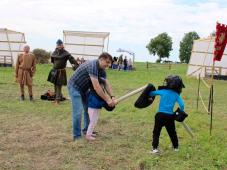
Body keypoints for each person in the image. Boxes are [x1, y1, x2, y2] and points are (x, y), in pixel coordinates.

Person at [68, 52, 116, 140]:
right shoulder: (93, 65)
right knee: (78, 111)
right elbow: (96, 87)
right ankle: (77, 136)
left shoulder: (102, 70)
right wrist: (107, 100)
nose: (108, 65)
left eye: (110, 63)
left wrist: (112, 96)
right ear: (101, 59)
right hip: (74, 87)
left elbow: (105, 83)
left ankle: (87, 131)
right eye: (107, 62)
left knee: (87, 109)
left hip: (85, 89)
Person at [149, 75, 185, 154]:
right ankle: (176, 147)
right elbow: (182, 105)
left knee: (156, 132)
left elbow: (151, 93)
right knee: (172, 132)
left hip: (160, 115)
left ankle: (154, 148)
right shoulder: (176, 95)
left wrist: (149, 97)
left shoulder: (163, 91)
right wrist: (179, 113)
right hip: (170, 116)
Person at [47, 39, 79, 104]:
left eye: (60, 45)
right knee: (55, 84)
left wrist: (76, 65)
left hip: (61, 72)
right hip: (54, 71)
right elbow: (53, 61)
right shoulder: (54, 52)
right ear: (56, 45)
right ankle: (56, 98)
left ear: (62, 45)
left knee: (59, 85)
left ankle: (58, 100)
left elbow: (72, 60)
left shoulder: (65, 53)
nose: (59, 46)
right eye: (58, 45)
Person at [85, 71, 111, 141]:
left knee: (94, 120)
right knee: (93, 121)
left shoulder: (98, 89)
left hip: (96, 107)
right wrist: (107, 103)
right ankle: (88, 135)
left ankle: (89, 133)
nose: (102, 86)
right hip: (93, 107)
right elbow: (97, 101)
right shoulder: (93, 92)